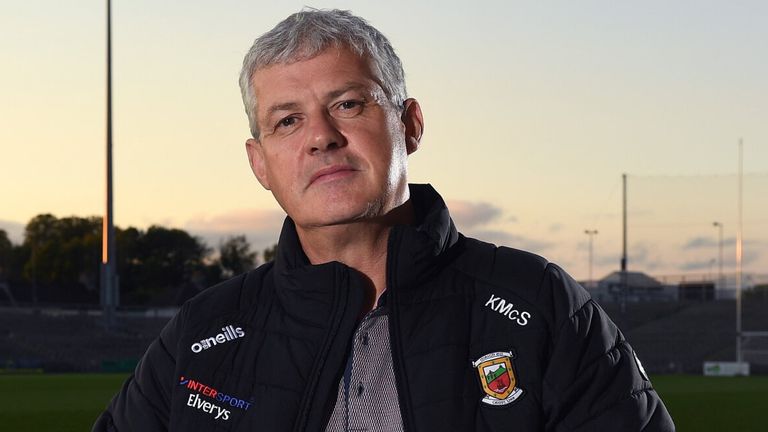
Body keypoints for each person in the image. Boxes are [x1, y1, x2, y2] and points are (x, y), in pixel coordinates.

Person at [94, 8, 674, 432]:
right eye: (287, 121)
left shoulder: (539, 304)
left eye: (348, 104)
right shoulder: (203, 332)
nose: (321, 137)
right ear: (260, 163)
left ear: (410, 124)